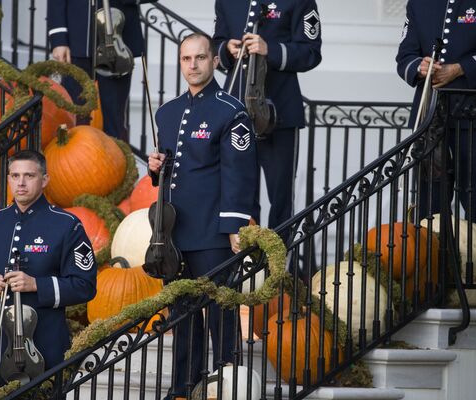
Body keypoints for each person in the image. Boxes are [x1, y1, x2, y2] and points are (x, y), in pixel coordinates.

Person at [148, 32, 258, 399]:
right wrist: (154, 168)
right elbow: (170, 170)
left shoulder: (231, 111)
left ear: (213, 61)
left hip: (213, 233)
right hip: (174, 235)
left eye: (199, 58)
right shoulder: (166, 112)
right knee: (183, 316)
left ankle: (226, 388)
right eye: (185, 59)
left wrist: (234, 227)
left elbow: (239, 174)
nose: (192, 65)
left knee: (221, 318)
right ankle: (183, 388)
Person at [0, 150, 97, 392]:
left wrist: (37, 284)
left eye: (29, 175)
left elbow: (84, 285)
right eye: (15, 175)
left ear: (44, 180)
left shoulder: (67, 225)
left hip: (45, 347)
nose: (21, 182)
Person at [213, 0, 322, 238]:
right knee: (240, 196)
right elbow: (217, 45)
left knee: (281, 199)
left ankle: (278, 269)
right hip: (236, 114)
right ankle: (245, 266)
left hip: (279, 112)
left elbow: (311, 52)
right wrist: (226, 50)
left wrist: (269, 49)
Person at [396, 0, 476, 221]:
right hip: (430, 120)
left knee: (474, 197)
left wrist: (461, 68)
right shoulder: (418, 4)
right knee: (430, 202)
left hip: (471, 118)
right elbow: (404, 58)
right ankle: (436, 254)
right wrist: (420, 67)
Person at [47, 0, 157, 142]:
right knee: (74, 116)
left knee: (114, 119)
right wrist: (58, 38)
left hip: (118, 42)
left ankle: (115, 161)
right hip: (76, 40)